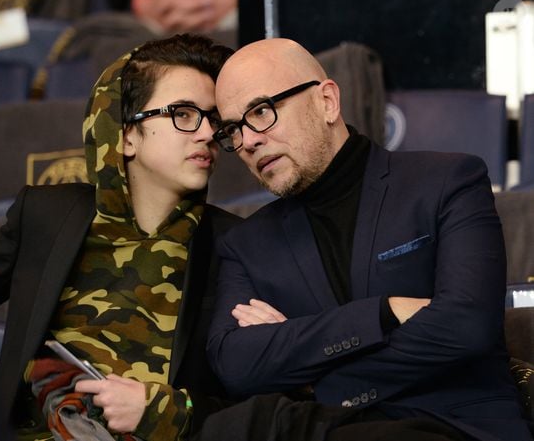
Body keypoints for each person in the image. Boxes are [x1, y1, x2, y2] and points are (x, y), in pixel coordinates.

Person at [205, 38, 532, 441]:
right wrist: (382, 312)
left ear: (326, 101)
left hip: (456, 428)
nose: (248, 141)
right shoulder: (247, 243)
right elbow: (237, 364)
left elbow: (467, 326)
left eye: (261, 112)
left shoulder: (446, 181)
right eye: (233, 129)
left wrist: (316, 382)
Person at [0, 33, 239, 440]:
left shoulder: (234, 244)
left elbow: (265, 408)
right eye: (183, 113)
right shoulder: (46, 215)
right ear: (125, 135)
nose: (207, 133)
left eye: (213, 119)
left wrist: (166, 410)